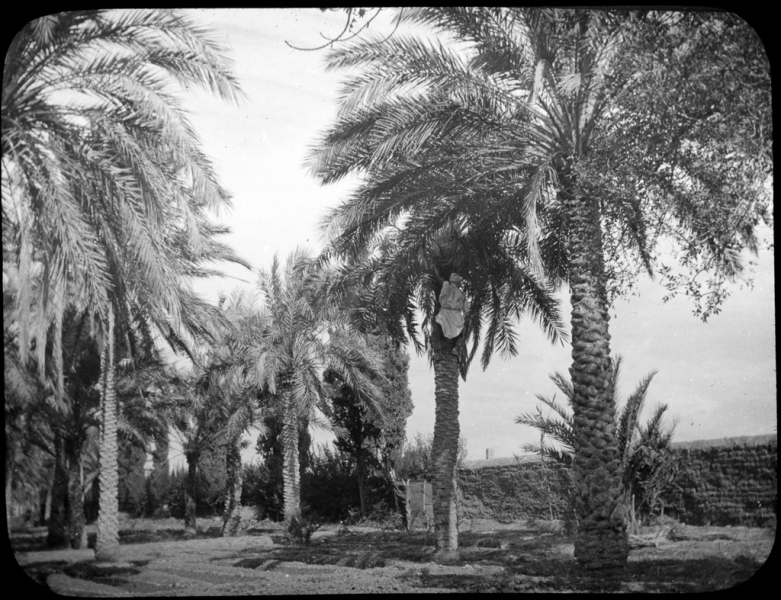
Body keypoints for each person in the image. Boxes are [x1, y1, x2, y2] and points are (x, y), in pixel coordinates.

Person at [435, 273, 468, 341]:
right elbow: (465, 308)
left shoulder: (448, 287)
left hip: (448, 314)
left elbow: (465, 307)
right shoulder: (459, 292)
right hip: (450, 314)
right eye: (459, 282)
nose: (459, 284)